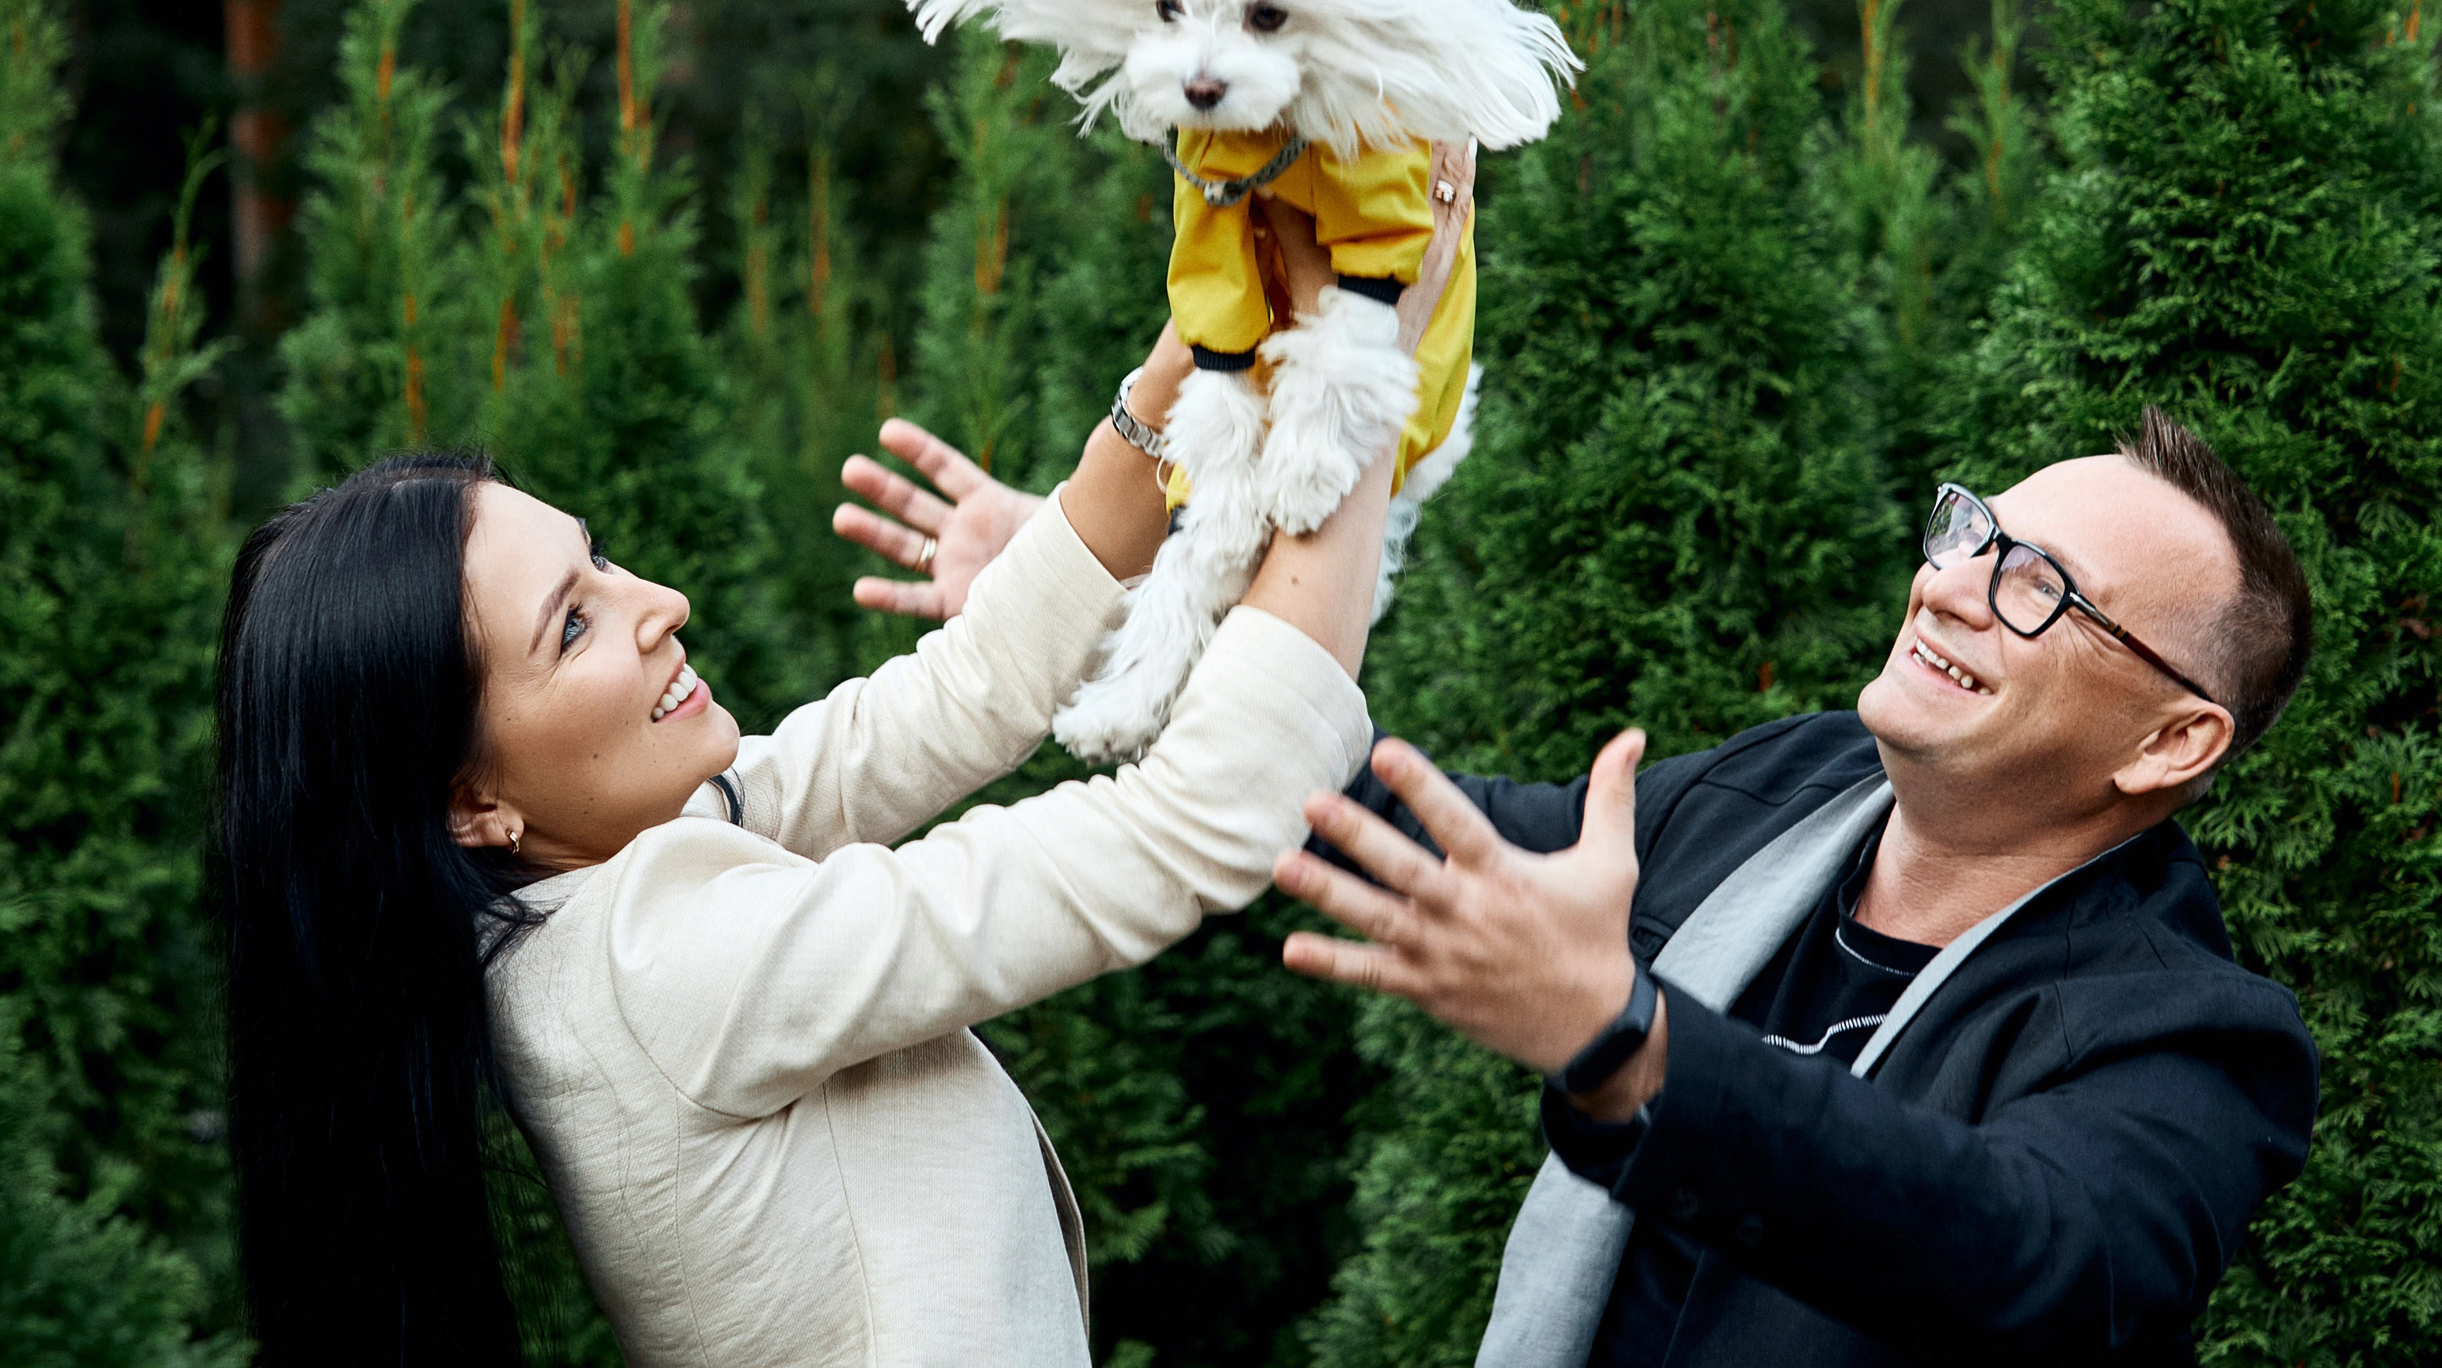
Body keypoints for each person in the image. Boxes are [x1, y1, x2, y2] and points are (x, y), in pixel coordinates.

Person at [213, 159, 1471, 1368]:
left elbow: (952, 697)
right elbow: (1182, 829)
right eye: (574, 623)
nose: (660, 601)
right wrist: (1361, 375)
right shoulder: (661, 963)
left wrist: (1196, 357)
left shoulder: (588, 893)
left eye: (597, 559)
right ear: (469, 801)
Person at [849, 406, 2318, 1365]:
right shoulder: (1788, 790)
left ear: (2174, 737)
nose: (1947, 584)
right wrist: (1102, 625)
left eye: (2037, 587)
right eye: (1970, 532)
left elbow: (2031, 1256)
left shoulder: (2192, 1034)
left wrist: (1630, 1048)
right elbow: (1382, 824)